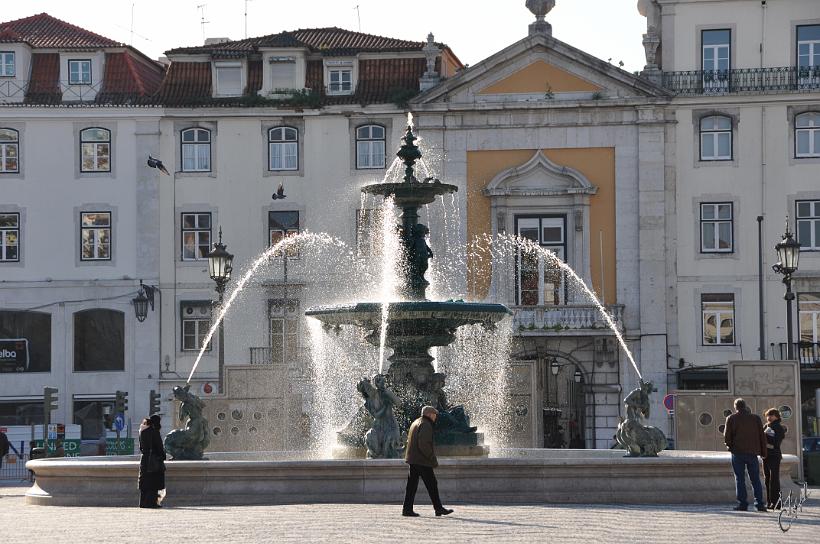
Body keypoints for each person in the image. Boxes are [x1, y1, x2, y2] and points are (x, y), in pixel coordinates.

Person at [402, 406, 453, 517]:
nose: (436, 417)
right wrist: (432, 458)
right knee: (432, 484)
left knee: (411, 486)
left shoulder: (416, 422)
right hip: (422, 460)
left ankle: (407, 509)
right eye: (435, 414)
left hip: (413, 459)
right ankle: (438, 508)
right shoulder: (426, 424)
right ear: (430, 414)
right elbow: (424, 444)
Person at [723, 398, 768, 511]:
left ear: (736, 407)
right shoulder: (755, 418)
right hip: (752, 453)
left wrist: (730, 447)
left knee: (739, 479)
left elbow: (727, 436)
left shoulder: (731, 418)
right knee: (755, 479)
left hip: (737, 452)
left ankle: (743, 504)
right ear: (745, 406)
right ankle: (759, 504)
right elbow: (762, 437)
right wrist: (763, 452)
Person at [138, 414, 166, 508]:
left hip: (144, 459)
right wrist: (162, 456)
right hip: (153, 459)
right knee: (153, 482)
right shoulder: (154, 432)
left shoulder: (142, 431)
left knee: (144, 483)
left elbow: (141, 447)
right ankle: (151, 503)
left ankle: (142, 502)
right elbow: (159, 447)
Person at [762, 407, 787, 510]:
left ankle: (776, 502)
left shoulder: (779, 427)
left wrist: (765, 436)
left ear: (776, 416)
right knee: (767, 479)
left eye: (771, 415)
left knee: (774, 479)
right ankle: (769, 502)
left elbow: (776, 442)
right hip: (766, 455)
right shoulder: (765, 426)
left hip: (774, 455)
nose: (768, 417)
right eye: (767, 415)